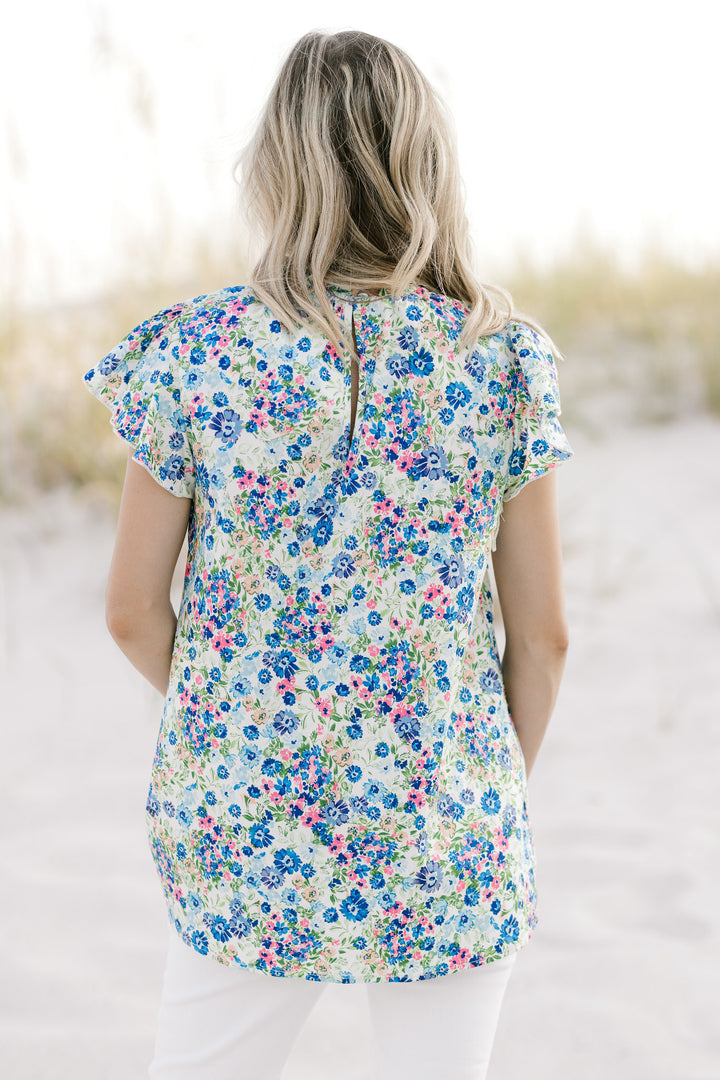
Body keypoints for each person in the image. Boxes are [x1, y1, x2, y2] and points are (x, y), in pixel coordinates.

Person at [83, 28, 573, 1080]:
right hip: (449, 817)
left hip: (247, 819)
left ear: (276, 167)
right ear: (426, 165)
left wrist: (243, 719)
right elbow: (542, 638)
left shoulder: (195, 350)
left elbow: (130, 609)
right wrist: (474, 784)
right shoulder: (501, 359)